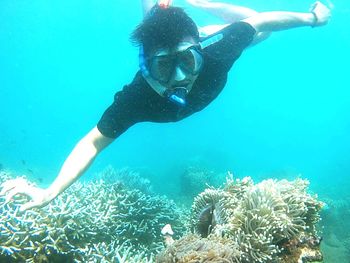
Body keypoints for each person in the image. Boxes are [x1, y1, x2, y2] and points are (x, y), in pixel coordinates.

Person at [0, 0, 331, 211]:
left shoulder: (215, 55)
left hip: (202, 36)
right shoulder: (138, 95)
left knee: (259, 29)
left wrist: (313, 17)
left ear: (199, 50)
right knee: (156, 15)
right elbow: (93, 142)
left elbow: (259, 22)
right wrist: (50, 192)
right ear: (145, 65)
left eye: (187, 60)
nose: (178, 78)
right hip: (180, 38)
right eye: (162, 66)